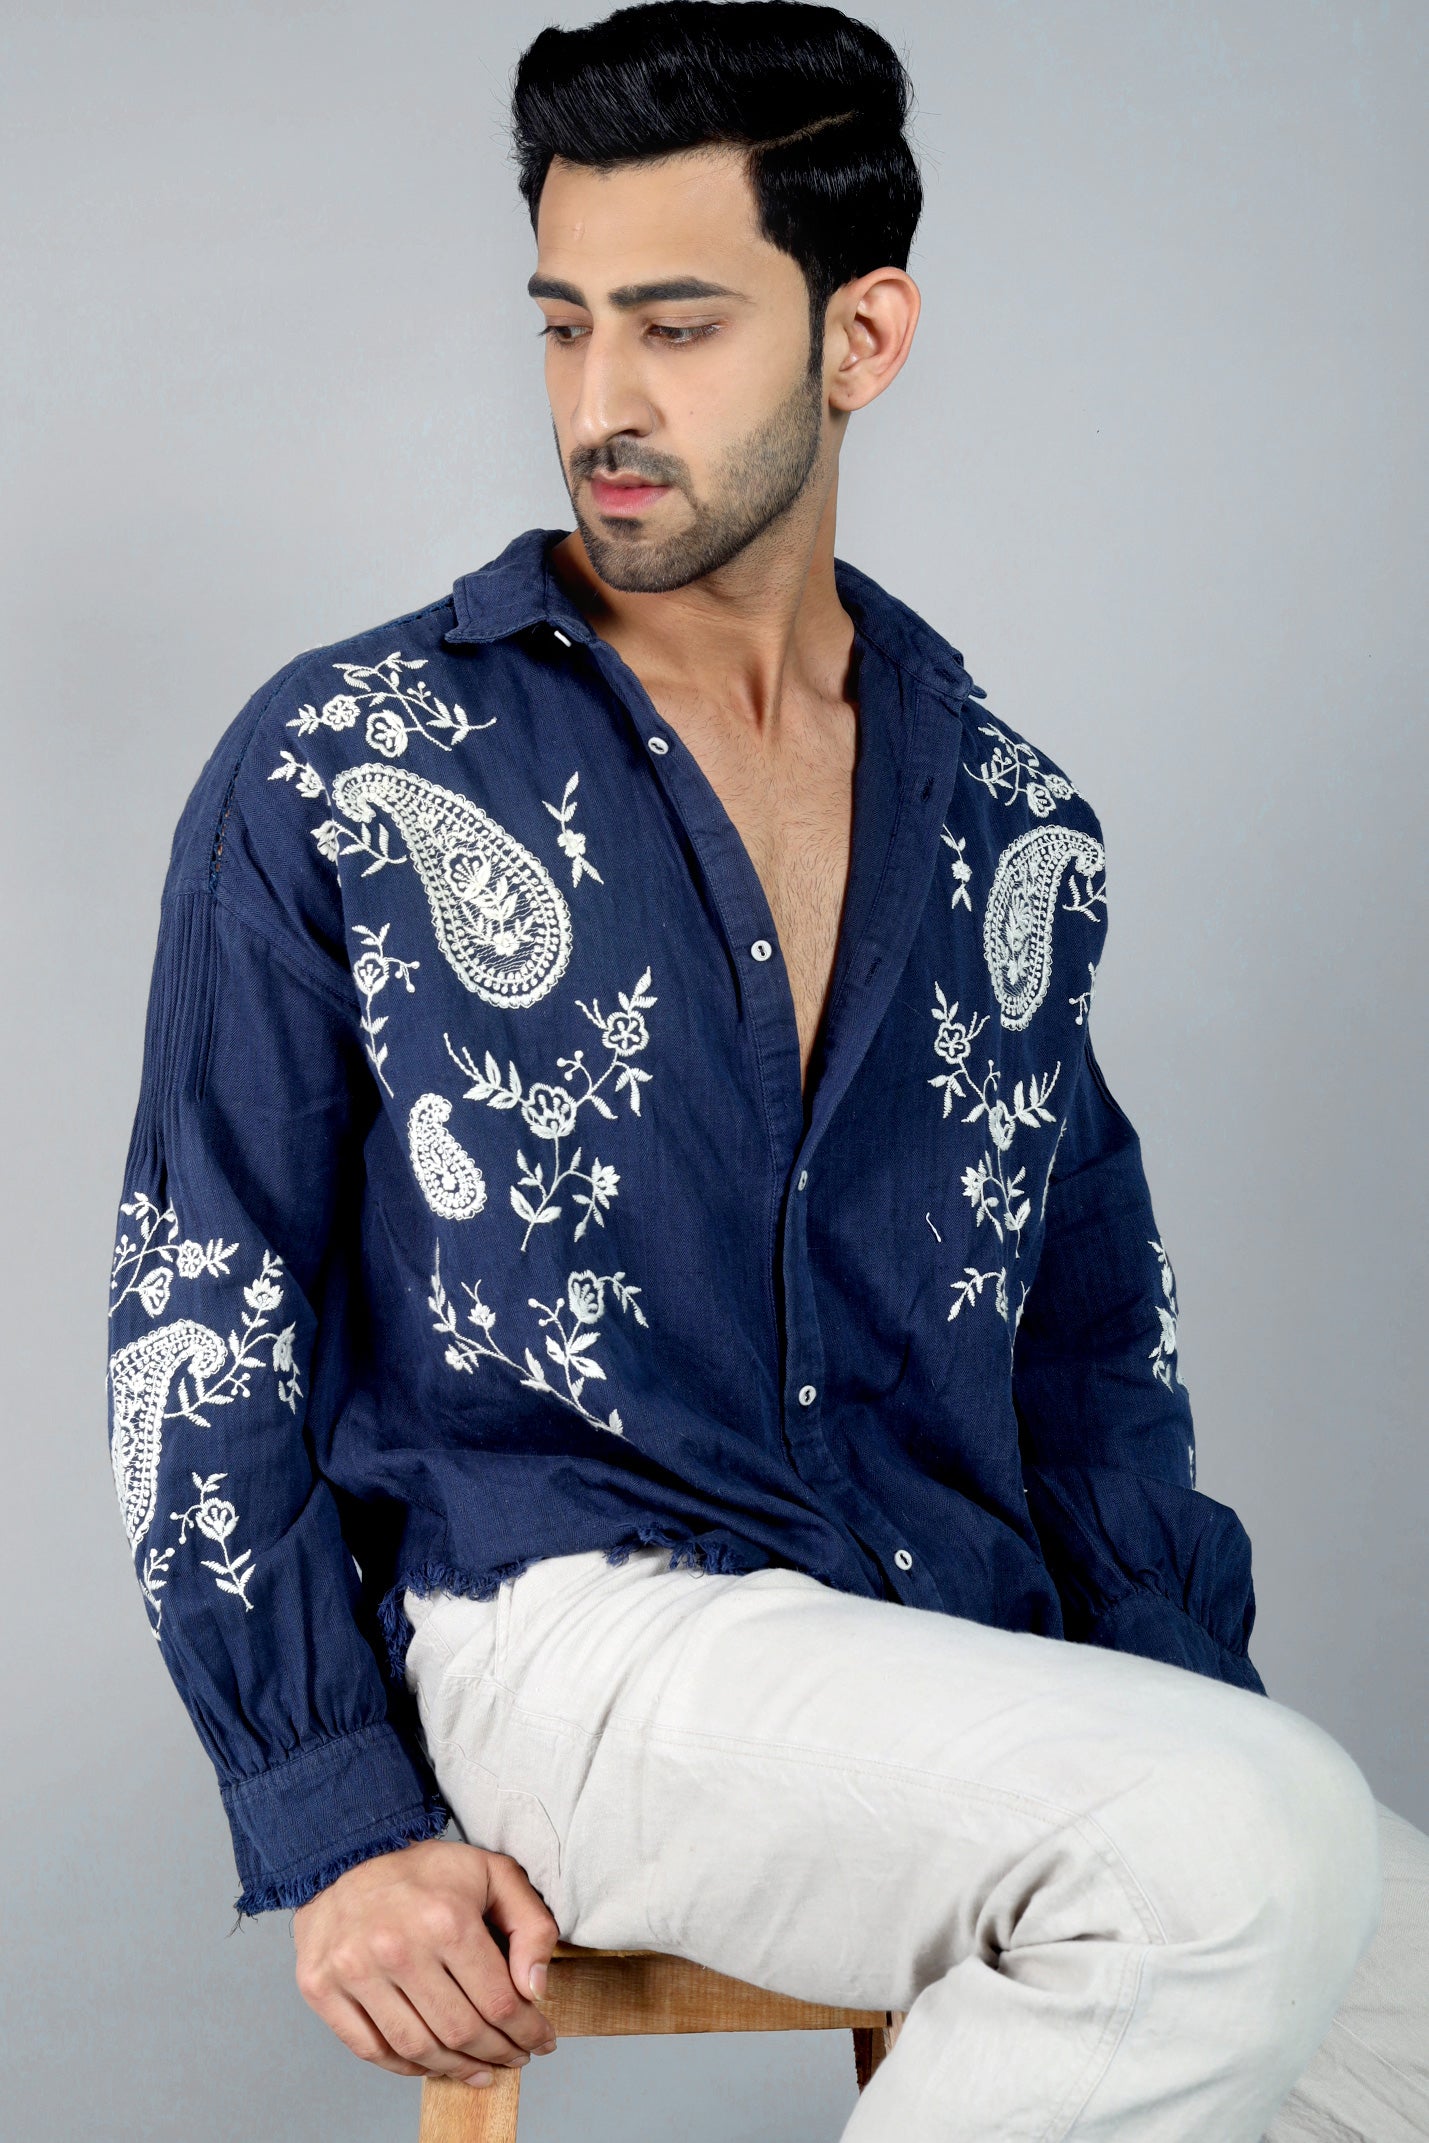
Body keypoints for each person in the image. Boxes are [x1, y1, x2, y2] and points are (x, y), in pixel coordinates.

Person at [104, 4, 1427, 2136]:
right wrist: (330, 1806)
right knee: (1235, 1851)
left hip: (937, 1638)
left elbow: (1090, 1349)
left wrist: (1169, 1710)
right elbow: (204, 1309)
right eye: (563, 326)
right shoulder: (351, 767)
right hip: (566, 1630)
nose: (601, 405)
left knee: (1356, 1952)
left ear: (861, 334)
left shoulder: (1008, 816)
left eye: (679, 325)